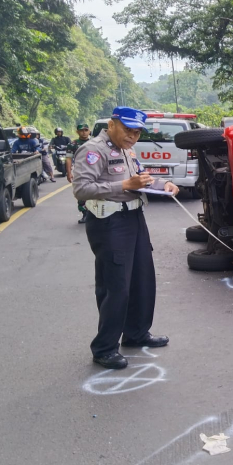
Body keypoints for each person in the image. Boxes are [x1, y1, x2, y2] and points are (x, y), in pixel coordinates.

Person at [72, 107, 179, 369]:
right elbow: (81, 189)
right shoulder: (93, 150)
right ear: (112, 124)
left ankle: (136, 333)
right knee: (116, 286)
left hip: (134, 218)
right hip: (109, 223)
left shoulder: (127, 150)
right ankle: (104, 347)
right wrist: (124, 186)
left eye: (137, 131)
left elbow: (140, 180)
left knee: (142, 279)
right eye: (127, 130)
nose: (132, 136)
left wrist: (161, 184)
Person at [67, 123, 92, 223]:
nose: (84, 132)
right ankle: (85, 214)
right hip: (80, 172)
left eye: (86, 130)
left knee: (96, 192)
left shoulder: (94, 142)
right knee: (81, 194)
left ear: (89, 131)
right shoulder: (73, 144)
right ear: (77, 132)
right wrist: (69, 172)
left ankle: (95, 214)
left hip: (94, 171)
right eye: (81, 130)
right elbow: (69, 158)